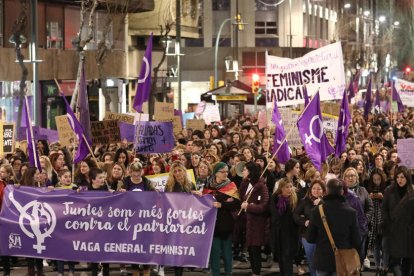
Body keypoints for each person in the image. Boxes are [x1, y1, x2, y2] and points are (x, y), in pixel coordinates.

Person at [306, 178, 361, 276]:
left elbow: (310, 238)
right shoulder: (351, 212)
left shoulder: (317, 211)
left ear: (326, 191)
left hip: (322, 259)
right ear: (342, 192)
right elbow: (357, 240)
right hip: (343, 260)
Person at [203, 162, 240, 276]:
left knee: (227, 251)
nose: (225, 174)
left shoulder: (231, 185)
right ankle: (216, 273)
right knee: (214, 252)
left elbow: (236, 204)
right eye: (222, 172)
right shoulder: (208, 184)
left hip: (226, 223)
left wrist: (222, 204)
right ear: (216, 173)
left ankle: (229, 272)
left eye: (227, 172)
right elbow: (205, 200)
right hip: (212, 224)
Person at [382, 166, 414, 275]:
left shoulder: (412, 192)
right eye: (398, 177)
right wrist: (387, 225)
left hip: (408, 232)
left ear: (408, 178)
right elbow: (384, 209)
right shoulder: (389, 190)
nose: (400, 180)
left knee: (407, 261)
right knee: (395, 261)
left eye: (403, 177)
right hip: (393, 231)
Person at [239, 161, 269, 276]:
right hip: (246, 222)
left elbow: (263, 206)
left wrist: (249, 206)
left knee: (255, 249)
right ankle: (253, 271)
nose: (243, 171)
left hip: (257, 223)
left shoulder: (262, 186)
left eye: (245, 169)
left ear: (251, 172)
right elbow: (241, 197)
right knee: (250, 248)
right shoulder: (245, 183)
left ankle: (257, 272)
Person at [293, 180, 326, 276]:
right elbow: (295, 215)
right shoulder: (305, 201)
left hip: (323, 236)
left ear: (323, 191)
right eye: (314, 188)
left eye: (319, 189)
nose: (316, 191)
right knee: (311, 259)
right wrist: (304, 221)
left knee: (322, 260)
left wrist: (321, 203)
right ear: (310, 190)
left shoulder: (327, 202)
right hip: (307, 235)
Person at [270, 177, 299, 276]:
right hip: (278, 232)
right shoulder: (275, 198)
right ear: (281, 188)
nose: (290, 189)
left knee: (287, 258)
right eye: (287, 187)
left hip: (291, 233)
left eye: (291, 187)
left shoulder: (295, 199)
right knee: (280, 257)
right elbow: (273, 215)